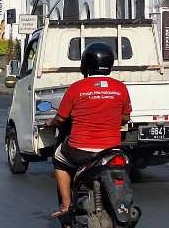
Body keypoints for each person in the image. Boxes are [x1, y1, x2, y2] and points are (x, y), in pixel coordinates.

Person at [43, 42, 131, 220]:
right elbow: (125, 117)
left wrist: (50, 123)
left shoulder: (76, 88)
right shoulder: (120, 88)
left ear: (86, 64)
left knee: (58, 158)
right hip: (111, 151)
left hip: (80, 151)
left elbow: (61, 119)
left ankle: (66, 205)